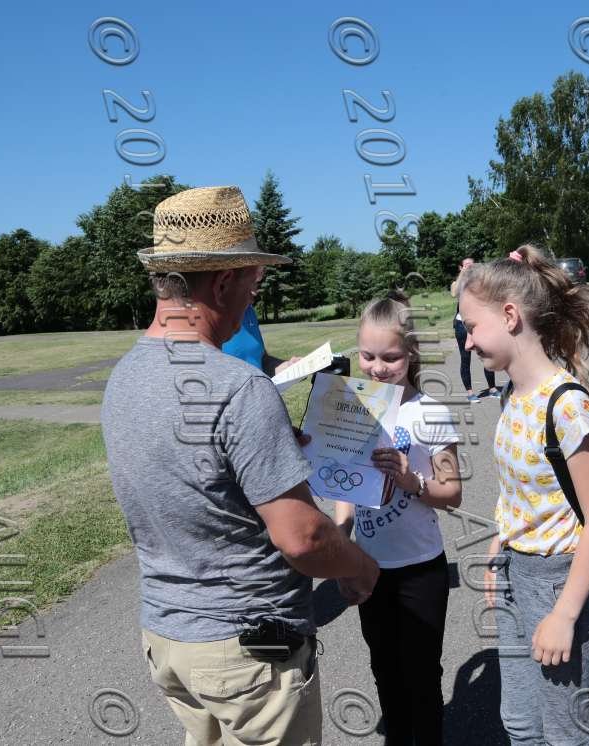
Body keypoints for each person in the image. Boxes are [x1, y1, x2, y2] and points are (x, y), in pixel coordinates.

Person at [101, 186, 380, 746]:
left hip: (169, 640)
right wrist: (358, 566)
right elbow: (303, 539)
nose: (254, 296)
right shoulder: (240, 387)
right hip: (248, 653)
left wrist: (265, 453)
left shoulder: (124, 376)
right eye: (253, 283)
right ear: (224, 282)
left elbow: (190, 482)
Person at [459, 244, 589, 746]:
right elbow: (519, 492)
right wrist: (498, 546)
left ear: (510, 316)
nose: (467, 342)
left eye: (471, 327)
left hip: (556, 582)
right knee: (522, 724)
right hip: (514, 570)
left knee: (565, 733)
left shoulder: (568, 407)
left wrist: (565, 614)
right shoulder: (512, 395)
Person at [332, 294, 463, 746]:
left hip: (420, 568)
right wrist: (342, 551)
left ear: (412, 354)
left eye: (390, 357)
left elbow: (452, 492)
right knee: (384, 669)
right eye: (367, 356)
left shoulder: (430, 412)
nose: (377, 368)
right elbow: (346, 491)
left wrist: (412, 481)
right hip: (370, 568)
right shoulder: (352, 407)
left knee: (422, 674)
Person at [451, 257, 498, 401]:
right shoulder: (457, 283)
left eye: (472, 264)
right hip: (462, 325)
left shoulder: (480, 282)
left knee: (487, 354)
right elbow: (454, 293)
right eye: (466, 265)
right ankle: (470, 393)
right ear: (460, 268)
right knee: (465, 359)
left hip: (480, 323)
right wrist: (463, 274)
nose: (470, 267)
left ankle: (492, 388)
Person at [222, 300, 301, 375]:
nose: (256, 292)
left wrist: (288, 366)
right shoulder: (217, 315)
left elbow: (262, 361)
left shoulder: (249, 311)